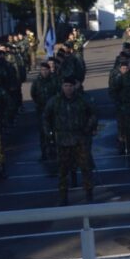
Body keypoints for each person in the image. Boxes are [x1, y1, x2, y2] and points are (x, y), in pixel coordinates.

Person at [44, 77, 97, 206]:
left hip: (80, 139)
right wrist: (49, 134)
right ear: (62, 86)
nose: (68, 88)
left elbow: (93, 114)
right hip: (63, 141)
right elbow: (46, 117)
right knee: (63, 170)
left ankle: (89, 193)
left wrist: (88, 128)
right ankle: (63, 196)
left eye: (70, 86)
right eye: (65, 85)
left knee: (85, 168)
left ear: (74, 87)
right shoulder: (55, 101)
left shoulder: (82, 100)